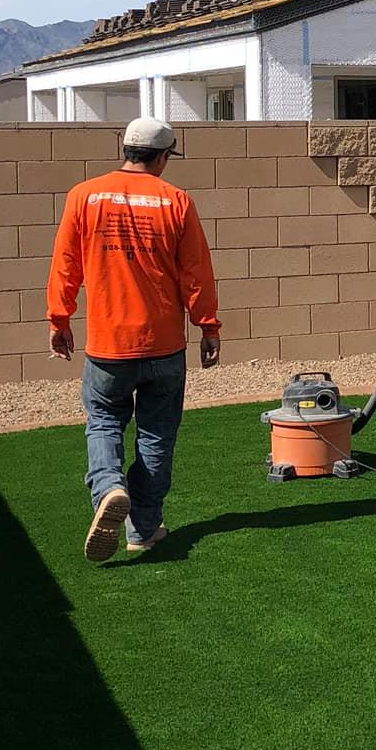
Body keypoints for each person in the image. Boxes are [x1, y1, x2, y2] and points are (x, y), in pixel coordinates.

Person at [46, 117, 221, 561]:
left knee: (103, 422)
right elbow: (195, 273)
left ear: (123, 148)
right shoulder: (176, 201)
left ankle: (108, 488)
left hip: (107, 346)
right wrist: (208, 325)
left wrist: (59, 319)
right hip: (164, 345)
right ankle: (143, 529)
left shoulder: (83, 196)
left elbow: (66, 264)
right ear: (163, 156)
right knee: (157, 436)